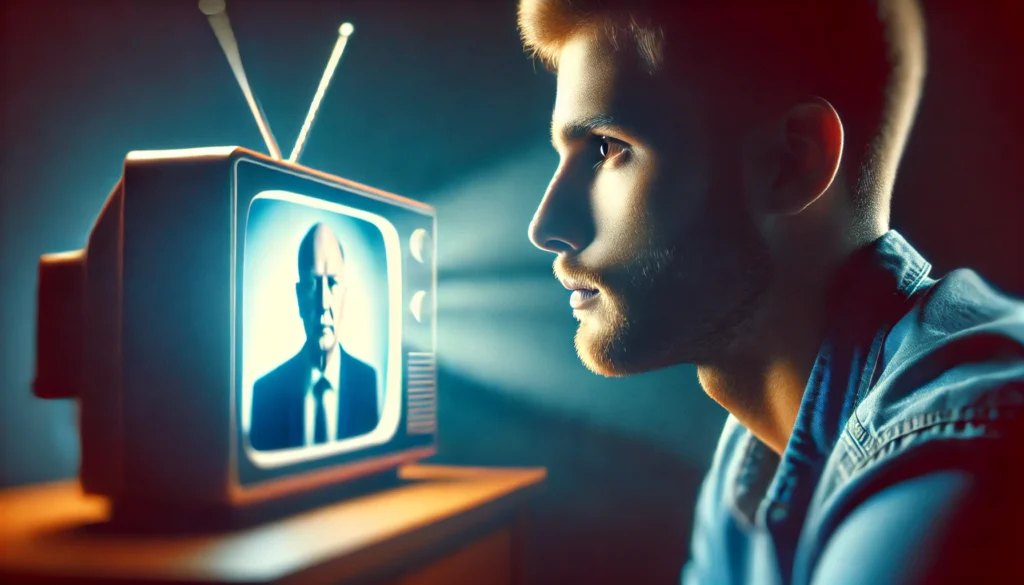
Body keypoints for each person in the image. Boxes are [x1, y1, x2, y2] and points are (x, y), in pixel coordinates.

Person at [517, 1, 1024, 583]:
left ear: (792, 161)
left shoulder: (959, 458)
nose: (546, 224)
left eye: (608, 148)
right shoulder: (753, 448)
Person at [250, 222, 379, 451]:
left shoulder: (372, 385)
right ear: (299, 299)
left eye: (332, 283)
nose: (324, 304)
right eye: (312, 284)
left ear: (345, 298)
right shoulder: (266, 394)